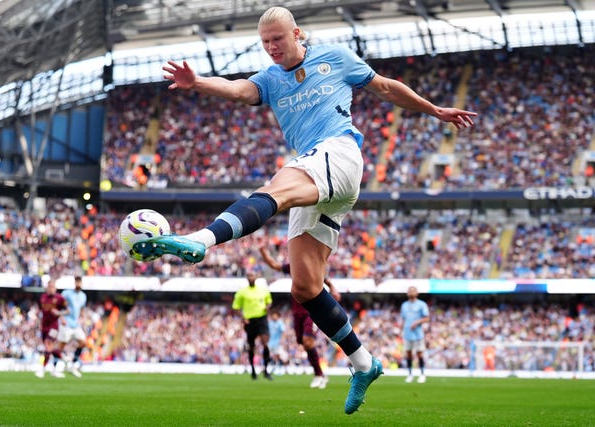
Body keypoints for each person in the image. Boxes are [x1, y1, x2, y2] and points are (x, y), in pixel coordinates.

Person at [133, 6, 476, 414]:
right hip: (318, 173)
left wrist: (435, 110)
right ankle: (364, 363)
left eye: (278, 39)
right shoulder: (269, 79)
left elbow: (385, 87)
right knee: (305, 287)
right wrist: (199, 83)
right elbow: (241, 91)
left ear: (297, 33)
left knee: (274, 190)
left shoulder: (335, 58)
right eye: (265, 43)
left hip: (339, 152)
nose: (272, 48)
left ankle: (200, 239)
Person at [259, 244, 336, 389]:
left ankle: (319, 375)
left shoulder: (313, 264)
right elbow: (274, 265)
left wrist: (333, 288)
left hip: (311, 310)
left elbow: (326, 279)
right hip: (297, 311)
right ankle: (320, 374)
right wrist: (263, 252)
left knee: (308, 342)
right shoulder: (293, 266)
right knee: (302, 342)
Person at [232, 271, 274, 380]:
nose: (251, 277)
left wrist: (267, 307)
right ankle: (253, 370)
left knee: (265, 343)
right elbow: (236, 307)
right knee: (251, 346)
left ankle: (266, 370)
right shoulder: (242, 292)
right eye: (249, 276)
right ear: (247, 278)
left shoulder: (263, 290)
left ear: (256, 277)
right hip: (250, 321)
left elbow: (269, 301)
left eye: (252, 275)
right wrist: (243, 318)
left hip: (262, 318)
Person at [36, 278, 68, 378]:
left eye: (53, 287)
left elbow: (67, 311)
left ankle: (42, 369)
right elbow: (41, 311)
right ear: (47, 288)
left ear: (55, 288)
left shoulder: (60, 298)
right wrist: (39, 323)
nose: (51, 289)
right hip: (44, 327)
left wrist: (60, 314)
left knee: (48, 344)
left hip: (54, 327)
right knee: (51, 349)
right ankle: (62, 361)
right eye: (49, 287)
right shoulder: (43, 298)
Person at [58, 276, 88, 378]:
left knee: (83, 343)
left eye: (80, 282)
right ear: (74, 283)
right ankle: (61, 364)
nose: (78, 284)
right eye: (77, 282)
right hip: (66, 323)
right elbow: (59, 305)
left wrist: (83, 319)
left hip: (76, 325)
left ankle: (73, 364)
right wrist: (61, 317)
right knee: (61, 346)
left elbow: (82, 309)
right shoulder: (67, 293)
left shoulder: (83, 296)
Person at [400, 286, 430, 383]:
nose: (411, 292)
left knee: (419, 354)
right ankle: (410, 374)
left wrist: (417, 322)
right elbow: (403, 320)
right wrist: (402, 330)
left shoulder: (422, 304)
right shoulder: (404, 305)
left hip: (418, 334)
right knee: (408, 354)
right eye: (409, 291)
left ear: (417, 293)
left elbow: (427, 318)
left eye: (413, 290)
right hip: (407, 334)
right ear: (407, 293)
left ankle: (422, 374)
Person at [267, 310, 287, 375]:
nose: (274, 316)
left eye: (275, 315)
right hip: (270, 342)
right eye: (273, 315)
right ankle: (275, 367)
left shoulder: (280, 323)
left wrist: (282, 339)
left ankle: (280, 367)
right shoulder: (270, 323)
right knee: (272, 355)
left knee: (277, 355)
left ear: (278, 316)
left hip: (277, 342)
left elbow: (283, 332)